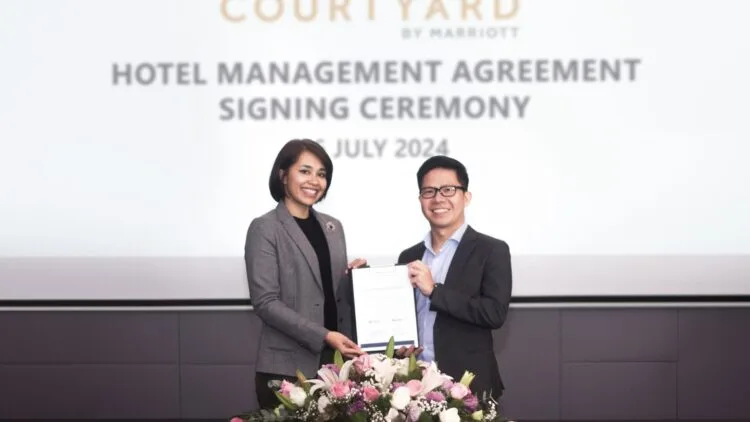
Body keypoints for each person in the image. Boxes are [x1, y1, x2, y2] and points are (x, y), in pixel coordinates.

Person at [245, 139, 366, 410]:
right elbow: (265, 302)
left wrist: (354, 279)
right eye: (305, 171)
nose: (314, 181)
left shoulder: (333, 227)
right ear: (283, 175)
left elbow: (329, 293)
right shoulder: (265, 228)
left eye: (321, 174)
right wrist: (324, 335)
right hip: (286, 368)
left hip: (335, 366)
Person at [397, 155, 513, 400]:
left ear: (466, 197)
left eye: (448, 190)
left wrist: (434, 291)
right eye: (429, 191)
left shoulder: (492, 250)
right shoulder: (409, 256)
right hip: (415, 384)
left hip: (467, 385)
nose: (438, 198)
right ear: (420, 200)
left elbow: (494, 313)